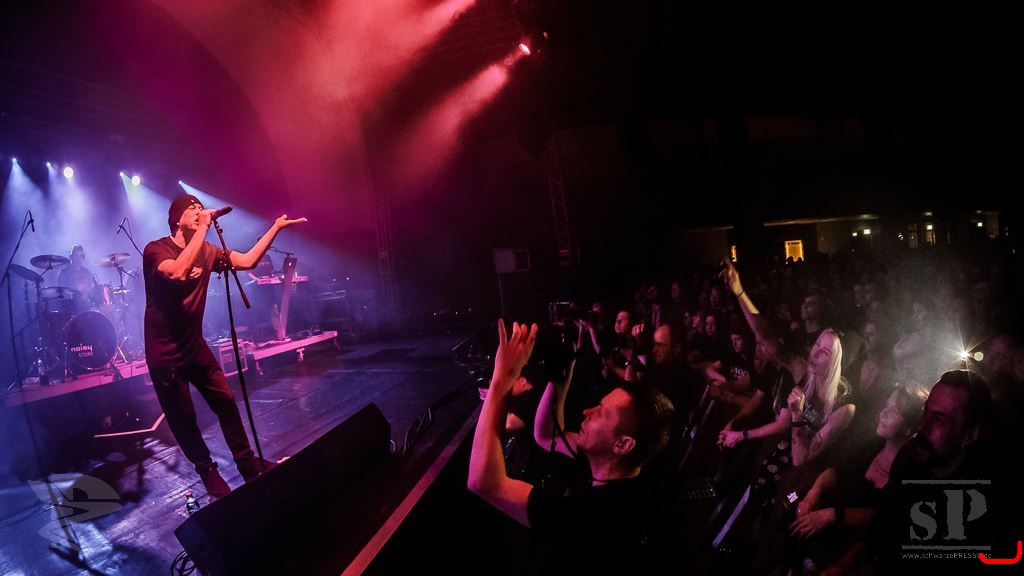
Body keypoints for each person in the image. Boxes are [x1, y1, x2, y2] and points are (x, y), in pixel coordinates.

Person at [468, 319, 683, 575]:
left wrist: (501, 380)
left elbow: (483, 481)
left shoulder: (592, 516)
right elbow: (547, 436)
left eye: (601, 413)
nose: (587, 412)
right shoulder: (619, 469)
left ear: (623, 444)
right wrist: (561, 375)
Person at [143, 194, 307, 498]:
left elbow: (247, 261)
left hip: (194, 345)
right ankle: (207, 470)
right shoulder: (156, 249)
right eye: (191, 209)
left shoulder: (207, 250)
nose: (198, 211)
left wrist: (275, 228)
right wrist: (205, 226)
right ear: (176, 219)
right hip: (165, 354)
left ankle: (247, 463)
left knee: (226, 401)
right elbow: (177, 271)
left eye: (200, 207)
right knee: (184, 418)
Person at [56, 244, 99, 314]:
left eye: (80, 256)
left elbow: (90, 291)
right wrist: (75, 289)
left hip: (84, 306)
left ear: (83, 257)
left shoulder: (87, 272)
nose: (78, 259)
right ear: (71, 257)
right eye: (76, 256)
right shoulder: (63, 273)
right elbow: (61, 292)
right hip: (69, 306)